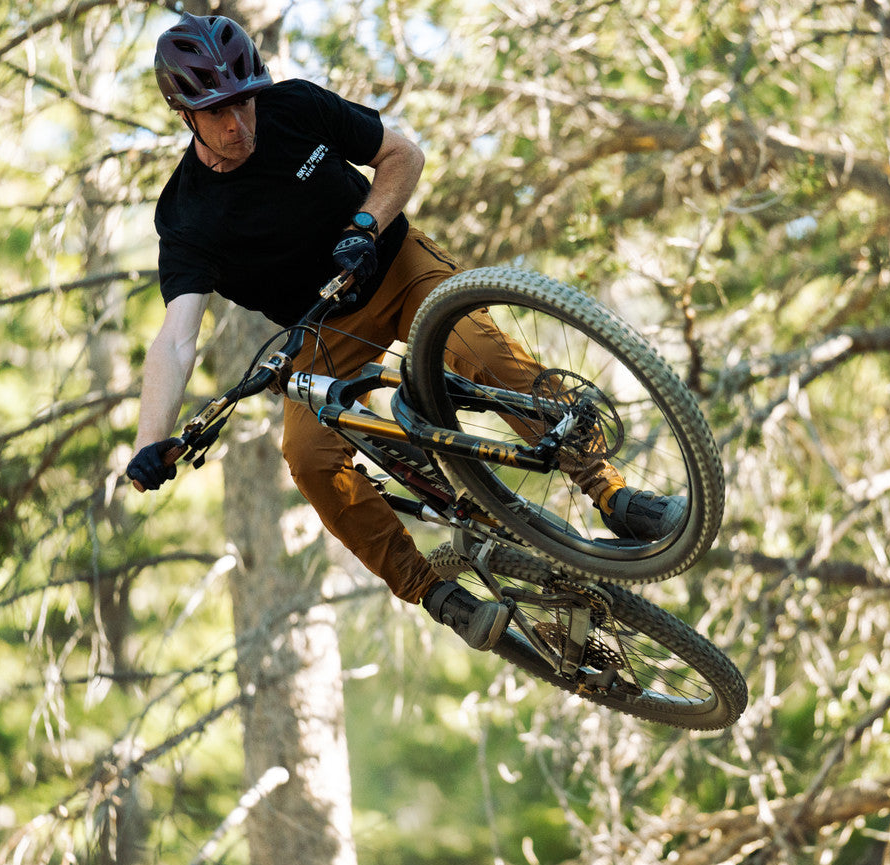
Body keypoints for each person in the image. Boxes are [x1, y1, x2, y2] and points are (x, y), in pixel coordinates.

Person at [124, 13, 685, 650]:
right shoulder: (187, 213)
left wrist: (367, 222)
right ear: (184, 112)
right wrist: (152, 439)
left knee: (480, 351)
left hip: (397, 264)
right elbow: (175, 338)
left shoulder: (296, 107)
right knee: (308, 460)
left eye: (245, 101)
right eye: (218, 111)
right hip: (321, 329)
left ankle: (611, 494)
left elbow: (402, 154)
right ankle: (438, 594)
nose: (239, 123)